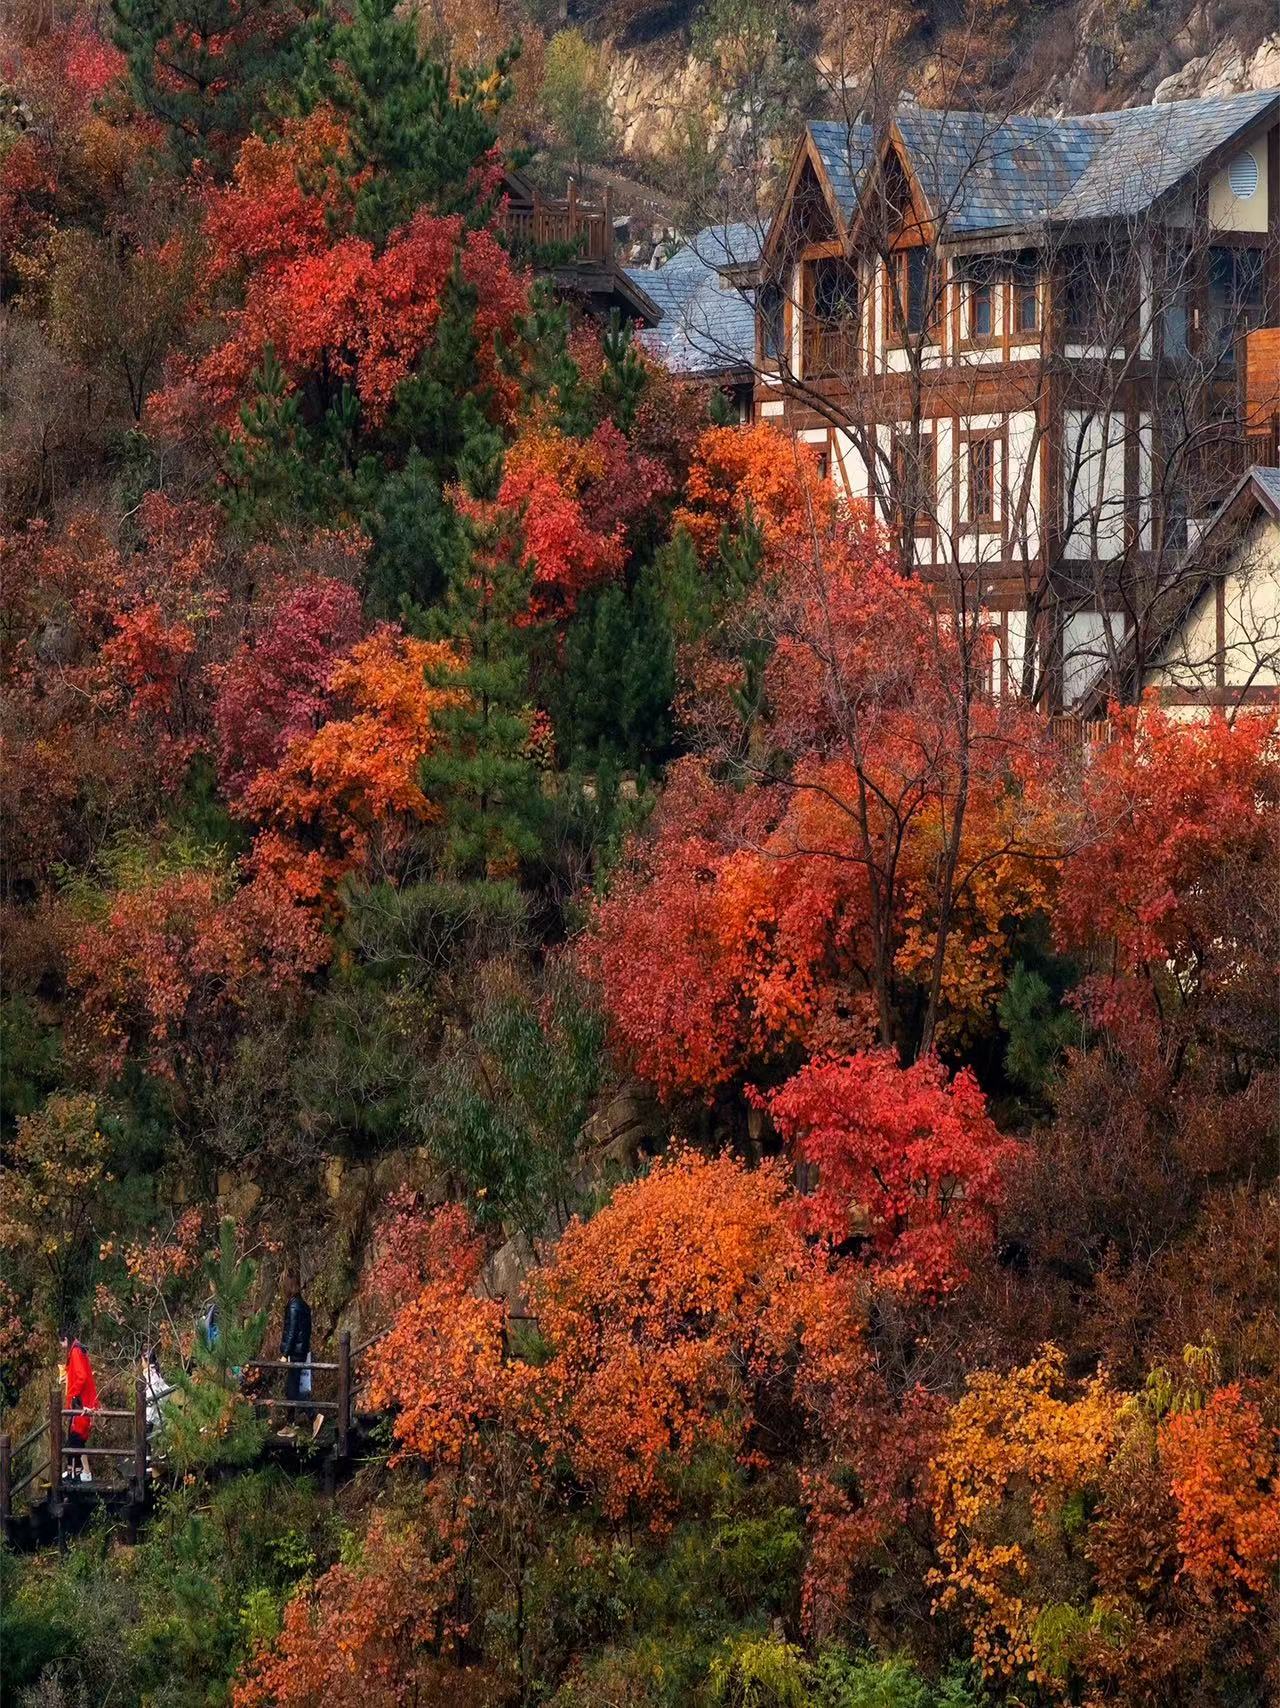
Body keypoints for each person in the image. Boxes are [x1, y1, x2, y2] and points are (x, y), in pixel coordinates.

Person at [277, 1273, 314, 1438]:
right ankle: (290, 1424)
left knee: (292, 1389)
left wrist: (285, 1353)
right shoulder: (303, 1305)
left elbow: (291, 1332)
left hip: (295, 1352)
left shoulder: (294, 1306)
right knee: (292, 1389)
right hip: (302, 1350)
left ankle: (312, 1414)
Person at [60, 1327, 97, 1483]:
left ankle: (76, 1473)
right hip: (83, 1400)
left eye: (61, 1342)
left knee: (75, 1438)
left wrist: (73, 1393)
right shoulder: (78, 1350)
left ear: (65, 1339)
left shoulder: (75, 1352)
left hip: (81, 1401)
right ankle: (78, 1472)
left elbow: (81, 1376)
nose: (61, 1346)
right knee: (77, 1438)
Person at [142, 1347, 174, 1438]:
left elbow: (153, 1394)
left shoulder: (151, 1375)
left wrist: (148, 1405)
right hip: (155, 1414)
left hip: (150, 1416)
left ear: (146, 1361)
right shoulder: (155, 1373)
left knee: (145, 1442)